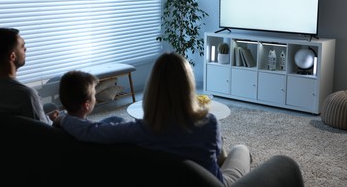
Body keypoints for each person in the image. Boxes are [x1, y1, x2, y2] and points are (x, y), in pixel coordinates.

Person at [54, 52, 251, 186]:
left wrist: (62, 119)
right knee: (241, 150)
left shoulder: (139, 130)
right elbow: (216, 154)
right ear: (188, 87)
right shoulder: (209, 124)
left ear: (153, 88)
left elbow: (90, 131)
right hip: (214, 183)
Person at [0, 28, 58, 125]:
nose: (25, 49)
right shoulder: (27, 95)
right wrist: (55, 121)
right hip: (28, 137)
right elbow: (45, 132)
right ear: (12, 56)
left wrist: (47, 118)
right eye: (22, 46)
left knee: (50, 106)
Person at [58, 70, 124, 123]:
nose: (95, 99)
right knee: (118, 120)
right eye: (94, 95)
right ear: (86, 105)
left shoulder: (61, 119)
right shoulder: (92, 130)